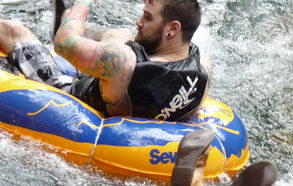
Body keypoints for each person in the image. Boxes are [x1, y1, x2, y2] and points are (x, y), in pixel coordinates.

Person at [0, 0, 209, 121]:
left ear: (173, 29)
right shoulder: (203, 69)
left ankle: (68, 18)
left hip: (76, 100)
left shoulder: (121, 61)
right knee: (121, 35)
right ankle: (82, 32)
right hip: (116, 91)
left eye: (147, 17)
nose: (139, 21)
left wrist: (83, 3)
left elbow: (61, 42)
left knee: (12, 29)